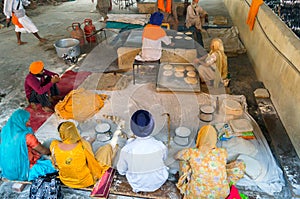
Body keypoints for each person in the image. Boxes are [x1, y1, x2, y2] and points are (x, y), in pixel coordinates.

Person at [175, 125, 245, 199]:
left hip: (196, 194)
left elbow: (177, 156)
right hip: (222, 194)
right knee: (236, 164)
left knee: (184, 163)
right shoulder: (222, 152)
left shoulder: (192, 152)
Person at [50, 121, 114, 188]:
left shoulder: (54, 145)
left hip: (66, 181)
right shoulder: (82, 145)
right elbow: (91, 163)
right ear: (75, 132)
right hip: (84, 181)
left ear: (61, 134)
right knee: (107, 148)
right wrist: (88, 142)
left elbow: (55, 164)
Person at [117, 109, 169, 193]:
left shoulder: (127, 149)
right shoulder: (160, 146)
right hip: (159, 181)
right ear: (151, 127)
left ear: (133, 129)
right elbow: (164, 159)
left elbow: (121, 171)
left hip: (137, 184)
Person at [0, 109, 56, 181]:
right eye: (27, 120)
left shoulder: (5, 133)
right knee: (54, 165)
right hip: (23, 172)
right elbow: (44, 151)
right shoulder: (26, 136)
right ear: (21, 121)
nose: (29, 122)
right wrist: (53, 151)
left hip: (8, 171)